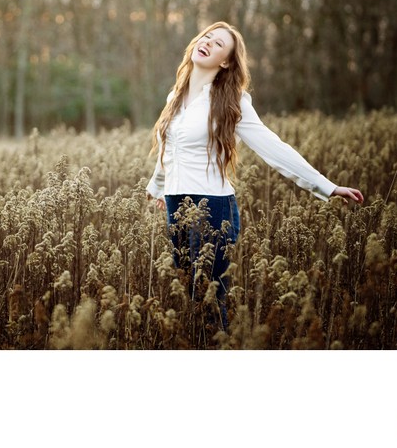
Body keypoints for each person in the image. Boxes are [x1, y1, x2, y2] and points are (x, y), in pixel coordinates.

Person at [146, 21, 363, 331]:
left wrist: (327, 187)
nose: (208, 42)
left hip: (213, 209)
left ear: (225, 62)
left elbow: (274, 148)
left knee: (210, 305)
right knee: (188, 300)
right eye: (206, 36)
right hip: (175, 208)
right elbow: (169, 149)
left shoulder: (231, 101)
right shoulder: (175, 99)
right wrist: (158, 188)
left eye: (219, 43)